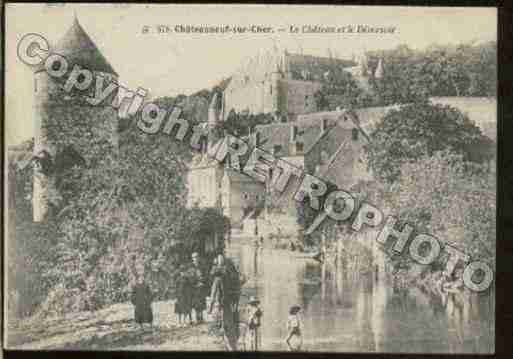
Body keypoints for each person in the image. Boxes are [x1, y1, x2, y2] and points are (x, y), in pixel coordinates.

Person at [190, 252, 208, 324]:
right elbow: (190, 277)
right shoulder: (191, 267)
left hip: (201, 286)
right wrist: (195, 283)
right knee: (196, 303)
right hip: (194, 287)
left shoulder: (202, 267)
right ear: (192, 259)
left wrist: (203, 281)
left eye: (197, 257)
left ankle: (201, 317)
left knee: (201, 302)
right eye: (194, 257)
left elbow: (205, 275)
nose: (196, 259)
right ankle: (197, 318)